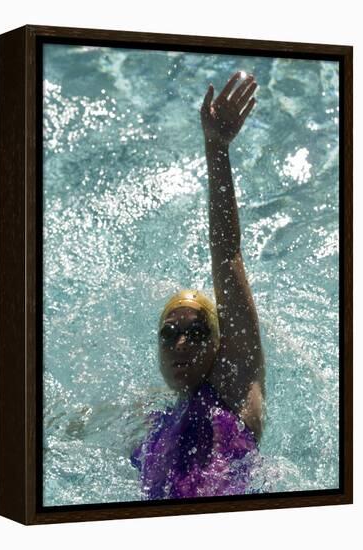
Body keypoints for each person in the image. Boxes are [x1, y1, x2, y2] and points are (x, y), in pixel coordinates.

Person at [131, 71, 266, 499]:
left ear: (218, 342)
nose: (182, 344)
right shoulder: (156, 421)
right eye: (170, 334)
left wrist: (217, 148)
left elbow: (227, 252)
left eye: (196, 332)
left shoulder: (234, 388)